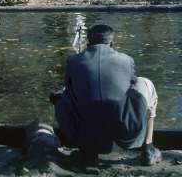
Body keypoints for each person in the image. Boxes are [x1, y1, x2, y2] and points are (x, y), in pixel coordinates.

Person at [52, 25, 161, 166]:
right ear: (112, 43)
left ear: (88, 43)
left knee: (61, 95)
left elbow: (69, 90)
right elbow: (133, 85)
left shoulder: (73, 61)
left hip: (83, 132)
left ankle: (88, 151)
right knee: (145, 83)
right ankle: (148, 147)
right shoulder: (126, 60)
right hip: (123, 133)